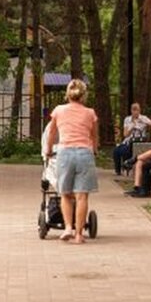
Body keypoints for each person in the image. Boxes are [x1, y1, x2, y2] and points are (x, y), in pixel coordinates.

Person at [44, 79, 99, 244]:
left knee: (65, 194)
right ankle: (79, 235)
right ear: (83, 95)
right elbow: (94, 136)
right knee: (82, 196)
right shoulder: (90, 113)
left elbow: (52, 133)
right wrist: (94, 150)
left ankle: (68, 227)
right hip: (84, 154)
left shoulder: (58, 110)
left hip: (65, 153)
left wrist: (48, 150)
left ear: (68, 94)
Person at [113, 103, 151, 175]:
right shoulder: (127, 119)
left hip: (139, 141)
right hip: (129, 140)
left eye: (137, 110)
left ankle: (127, 167)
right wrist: (131, 127)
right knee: (116, 151)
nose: (135, 112)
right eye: (133, 110)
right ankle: (118, 170)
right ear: (131, 111)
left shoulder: (143, 118)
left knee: (125, 151)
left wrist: (144, 121)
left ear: (139, 110)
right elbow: (125, 134)